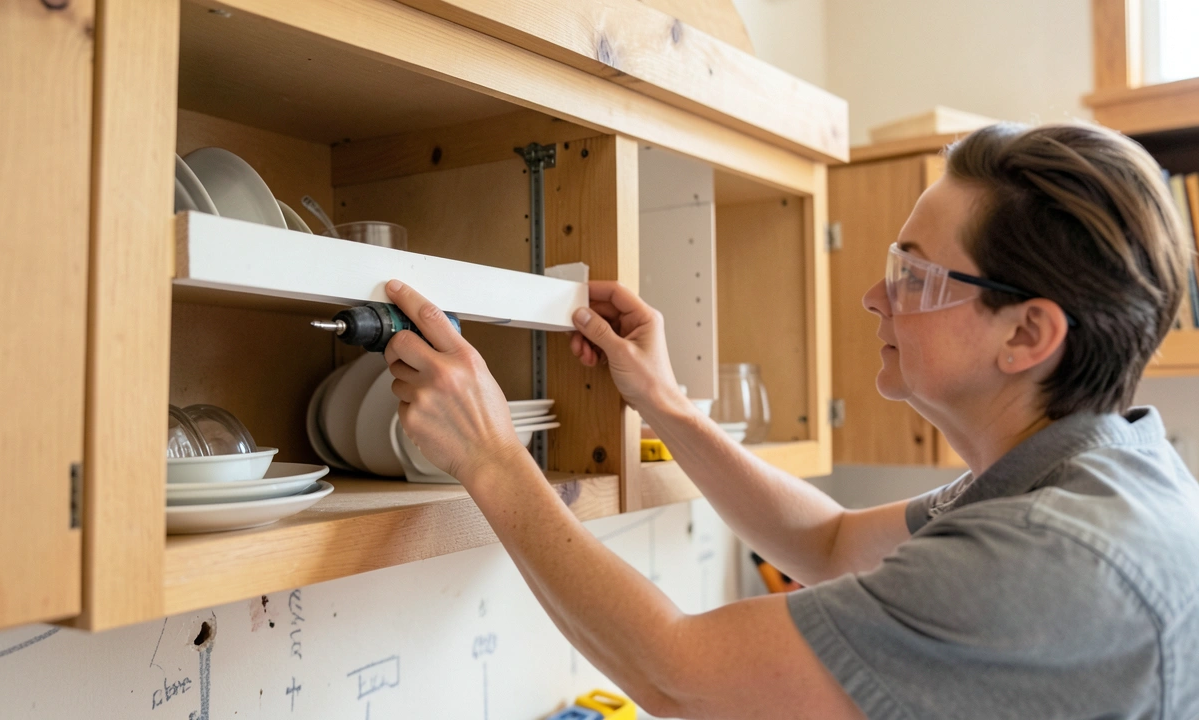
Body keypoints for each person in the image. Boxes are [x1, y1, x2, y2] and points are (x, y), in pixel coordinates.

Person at [379, 122, 1199, 719]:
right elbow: (830, 544)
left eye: (914, 277)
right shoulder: (1083, 474)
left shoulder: (1050, 554)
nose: (875, 297)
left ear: (1025, 335)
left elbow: (677, 675)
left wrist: (494, 460)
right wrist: (667, 405)